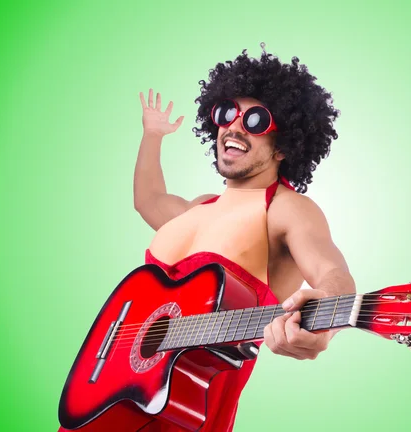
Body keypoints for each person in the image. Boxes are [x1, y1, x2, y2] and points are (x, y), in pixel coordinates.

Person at [134, 45, 356, 431]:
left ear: (284, 146)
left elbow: (332, 273)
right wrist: (153, 135)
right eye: (226, 113)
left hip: (182, 416)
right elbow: (148, 201)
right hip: (112, 392)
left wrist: (324, 320)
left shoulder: (285, 209)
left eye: (255, 120)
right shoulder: (200, 207)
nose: (233, 127)